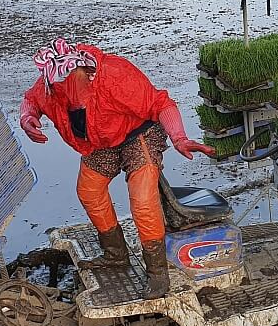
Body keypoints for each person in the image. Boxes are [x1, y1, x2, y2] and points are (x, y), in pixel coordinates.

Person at [19, 38, 214, 298]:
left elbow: (161, 104)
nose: (66, 89)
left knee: (143, 201)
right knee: (89, 191)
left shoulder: (115, 76)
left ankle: (157, 273)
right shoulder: (50, 87)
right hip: (101, 142)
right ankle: (115, 255)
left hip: (138, 135)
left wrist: (179, 138)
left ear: (84, 71)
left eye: (72, 80)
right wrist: (28, 117)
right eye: (59, 85)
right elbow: (31, 100)